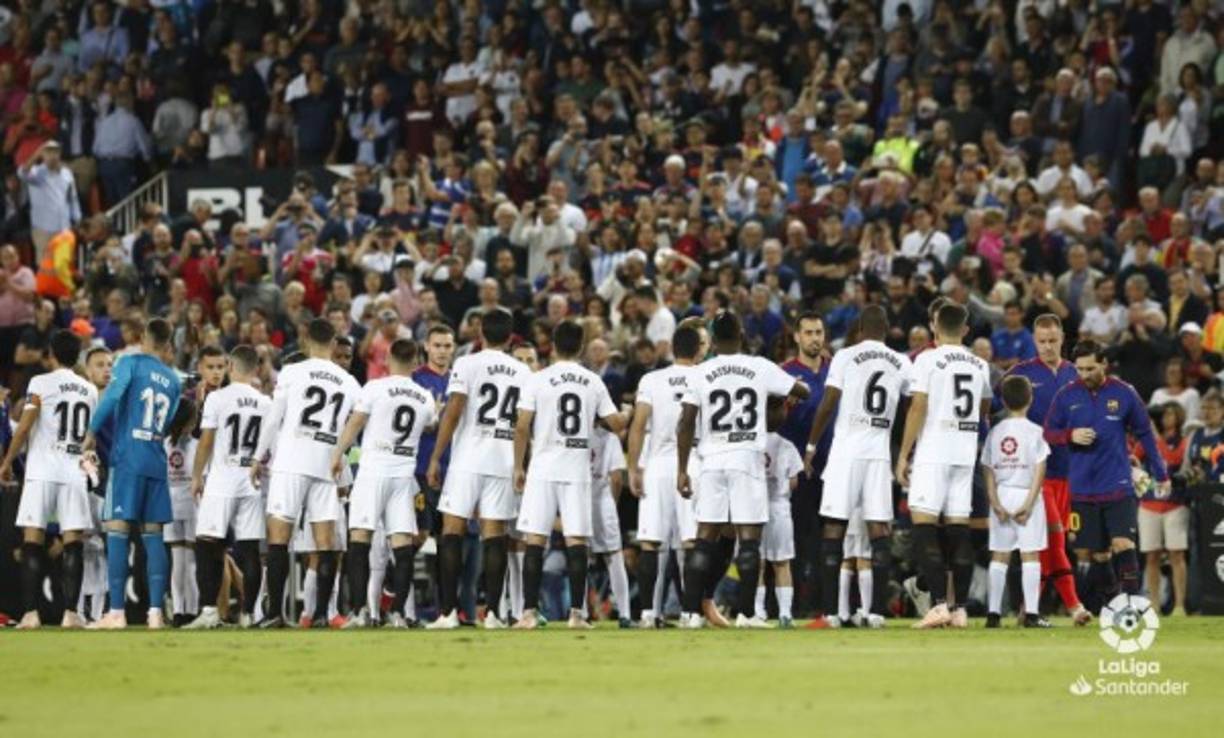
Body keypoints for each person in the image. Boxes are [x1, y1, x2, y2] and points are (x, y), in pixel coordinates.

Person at [676, 311, 810, 629]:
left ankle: (690, 613)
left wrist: (682, 469)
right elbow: (802, 391)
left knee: (704, 538)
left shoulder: (699, 372)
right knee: (749, 541)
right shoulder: (760, 367)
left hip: (711, 461)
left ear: (713, 338)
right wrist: (788, 390)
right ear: (740, 333)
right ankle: (747, 615)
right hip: (747, 458)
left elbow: (685, 423)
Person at [512, 320, 626, 629]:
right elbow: (616, 425)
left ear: (552, 344)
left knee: (535, 539)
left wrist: (518, 466)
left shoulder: (537, 380)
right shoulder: (592, 381)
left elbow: (521, 426)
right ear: (580, 346)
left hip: (543, 468)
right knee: (578, 541)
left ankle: (528, 614)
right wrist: (629, 414)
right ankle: (578, 614)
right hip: (577, 470)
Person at [804, 305, 910, 628]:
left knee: (834, 526)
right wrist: (906, 449)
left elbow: (829, 401)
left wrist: (810, 445)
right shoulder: (902, 362)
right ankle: (876, 612)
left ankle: (832, 614)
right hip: (878, 453)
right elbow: (912, 405)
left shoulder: (845, 356)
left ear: (861, 328)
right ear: (888, 329)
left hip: (846, 452)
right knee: (879, 530)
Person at [1045, 340, 1169, 611]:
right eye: (1079, 369)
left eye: (1090, 368)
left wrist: (1160, 471)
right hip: (1081, 488)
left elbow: (1145, 433)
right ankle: (1113, 601)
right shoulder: (1066, 395)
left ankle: (1132, 604)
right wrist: (1069, 435)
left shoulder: (1124, 393)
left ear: (1104, 364)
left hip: (1118, 484)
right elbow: (1048, 434)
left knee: (1123, 543)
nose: (1084, 375)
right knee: (1096, 554)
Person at [425, 308, 530, 629]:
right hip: (503, 460)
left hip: (468, 459)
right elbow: (525, 422)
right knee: (494, 536)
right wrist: (520, 464)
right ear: (511, 337)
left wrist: (435, 457)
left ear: (481, 332)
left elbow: (454, 410)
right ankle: (495, 614)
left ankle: (447, 614)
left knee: (452, 532)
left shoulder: (467, 364)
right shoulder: (522, 371)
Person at [253, 318, 361, 628]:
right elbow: (355, 424)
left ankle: (275, 614)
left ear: (305, 340)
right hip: (326, 464)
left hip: (291, 460)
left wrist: (258, 456)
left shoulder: (292, 371)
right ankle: (321, 616)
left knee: (278, 539)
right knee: (325, 542)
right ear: (333, 344)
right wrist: (339, 453)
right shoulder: (349, 381)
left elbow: (274, 418)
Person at [895, 303, 993, 629]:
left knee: (924, 527)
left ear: (935, 329)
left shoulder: (926, 359)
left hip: (934, 452)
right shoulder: (980, 364)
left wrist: (903, 455)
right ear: (965, 329)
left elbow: (917, 407)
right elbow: (983, 408)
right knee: (958, 529)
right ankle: (960, 608)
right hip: (964, 453)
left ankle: (938, 605)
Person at [84, 318, 183, 629]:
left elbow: (112, 396)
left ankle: (116, 612)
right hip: (156, 459)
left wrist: (90, 432)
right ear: (168, 345)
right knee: (153, 536)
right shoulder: (173, 379)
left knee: (117, 530)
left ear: (142, 337)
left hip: (128, 458)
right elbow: (168, 426)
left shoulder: (129, 362)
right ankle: (155, 612)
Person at [330, 338, 436, 629]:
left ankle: (361, 611)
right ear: (416, 362)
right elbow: (429, 423)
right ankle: (399, 614)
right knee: (402, 545)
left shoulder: (375, 388)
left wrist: (337, 454)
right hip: (403, 477)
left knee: (360, 540)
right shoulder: (424, 396)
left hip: (373, 471)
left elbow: (355, 423)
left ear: (388, 360)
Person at [0, 330, 97, 629]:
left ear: (52, 353)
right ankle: (71, 613)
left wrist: (6, 462)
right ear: (78, 356)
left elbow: (25, 425)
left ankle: (31, 614)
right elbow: (88, 438)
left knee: (33, 540)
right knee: (72, 542)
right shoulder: (89, 389)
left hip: (42, 469)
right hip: (73, 471)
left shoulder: (40, 383)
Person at [1002, 314, 1092, 624]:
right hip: (1036, 476)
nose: (1047, 347)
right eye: (1041, 341)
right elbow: (1005, 420)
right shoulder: (1020, 375)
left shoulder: (1076, 373)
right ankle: (1074, 605)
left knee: (1050, 544)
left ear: (1063, 338)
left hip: (1072, 472)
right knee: (1053, 539)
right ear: (1034, 340)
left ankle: (1028, 610)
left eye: (1053, 341)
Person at [626, 322, 710, 629]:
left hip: (658, 466)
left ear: (673, 349)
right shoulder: (706, 377)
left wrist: (634, 467)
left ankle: (648, 613)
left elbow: (637, 426)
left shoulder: (652, 379)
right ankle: (691, 613)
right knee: (691, 542)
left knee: (650, 542)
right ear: (699, 349)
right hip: (694, 464)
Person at [185, 345, 270, 630]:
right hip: (250, 480)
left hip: (222, 478)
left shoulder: (218, 398)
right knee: (249, 549)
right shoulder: (265, 402)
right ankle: (248, 615)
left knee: (207, 543)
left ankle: (209, 611)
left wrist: (197, 476)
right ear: (255, 369)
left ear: (231, 366)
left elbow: (206, 440)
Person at [981, 375, 1052, 628]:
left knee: (1000, 555)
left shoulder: (995, 431)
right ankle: (1031, 614)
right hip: (1025, 493)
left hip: (1002, 494)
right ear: (1030, 399)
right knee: (1029, 555)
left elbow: (987, 468)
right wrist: (1030, 504)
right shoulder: (1035, 432)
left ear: (1003, 400)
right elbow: (1040, 469)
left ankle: (993, 614)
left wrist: (995, 502)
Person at [754, 427, 803, 628]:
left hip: (754, 507)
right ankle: (785, 614)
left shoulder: (752, 443)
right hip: (779, 508)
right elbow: (794, 481)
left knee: (757, 563)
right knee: (782, 563)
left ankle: (758, 612)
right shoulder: (787, 445)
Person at [588, 426, 631, 627]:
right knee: (613, 556)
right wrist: (612, 504)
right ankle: (625, 613)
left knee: (579, 555)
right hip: (603, 500)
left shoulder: (575, 433)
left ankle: (579, 613)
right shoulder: (609, 438)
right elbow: (616, 478)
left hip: (576, 497)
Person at [162, 398, 199, 627]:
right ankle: (192, 610)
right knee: (191, 561)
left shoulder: (163, 444)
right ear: (191, 421)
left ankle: (178, 610)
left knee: (178, 561)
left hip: (170, 505)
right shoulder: (198, 445)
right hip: (194, 506)